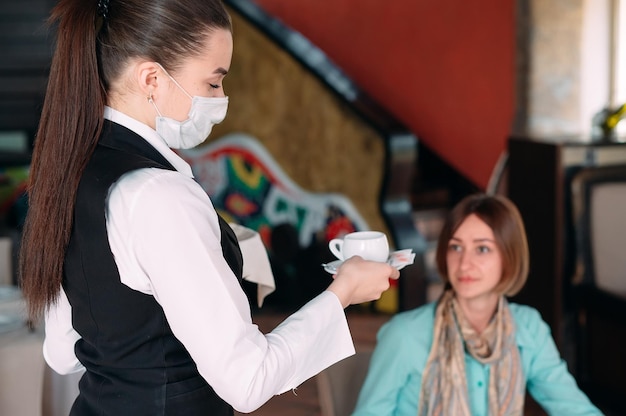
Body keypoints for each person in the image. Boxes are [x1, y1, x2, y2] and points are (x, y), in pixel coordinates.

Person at [17, 0, 400, 414]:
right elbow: (248, 380)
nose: (221, 100)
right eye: (213, 83)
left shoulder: (67, 174)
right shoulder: (160, 194)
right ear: (151, 78)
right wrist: (343, 292)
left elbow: (64, 352)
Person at [352, 194, 602, 416]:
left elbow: (572, 406)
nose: (464, 264)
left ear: (509, 257)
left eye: (482, 249)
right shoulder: (404, 335)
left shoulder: (528, 328)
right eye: (456, 247)